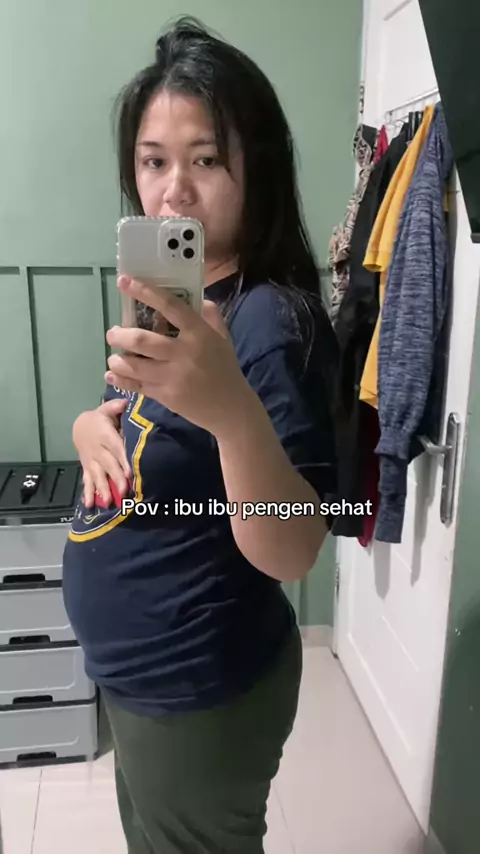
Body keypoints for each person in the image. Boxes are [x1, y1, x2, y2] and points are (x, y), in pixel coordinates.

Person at [62, 16, 338, 854]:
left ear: (259, 168)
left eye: (206, 160)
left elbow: (293, 547)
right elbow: (133, 421)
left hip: (198, 686)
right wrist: (86, 428)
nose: (173, 190)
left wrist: (231, 411)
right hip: (145, 678)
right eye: (154, 161)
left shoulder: (266, 321)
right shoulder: (174, 299)